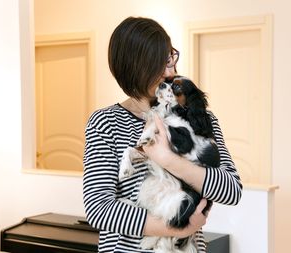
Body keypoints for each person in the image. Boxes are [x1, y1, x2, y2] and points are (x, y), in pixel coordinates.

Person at [83, 16, 242, 253]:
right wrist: (177, 228)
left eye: (170, 58)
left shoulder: (200, 117)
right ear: (135, 70)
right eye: (161, 64)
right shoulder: (106, 123)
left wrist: (168, 159)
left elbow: (231, 190)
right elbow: (99, 208)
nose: (171, 70)